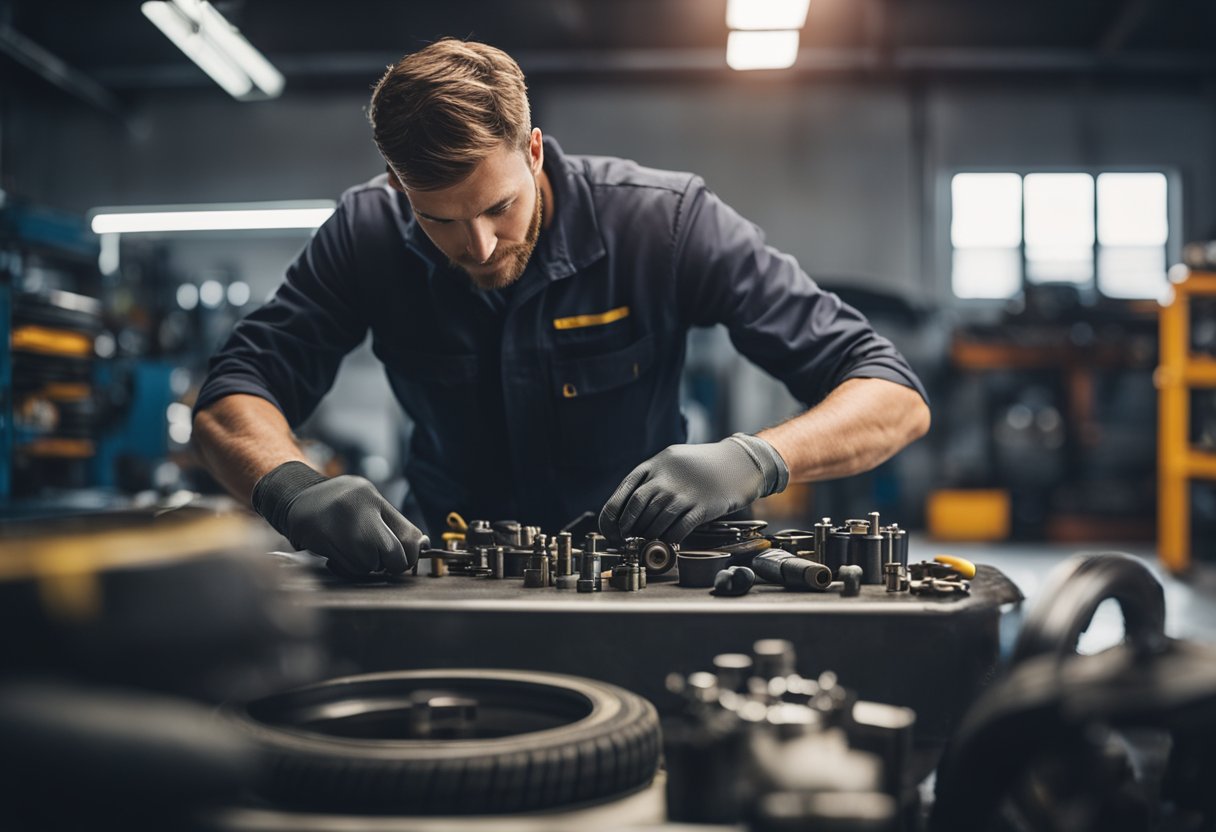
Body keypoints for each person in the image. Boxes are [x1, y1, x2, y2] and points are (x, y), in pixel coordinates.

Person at [191, 38, 930, 578]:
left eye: (497, 207)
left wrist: (756, 460)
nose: (476, 245)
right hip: (444, 573)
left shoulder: (664, 224)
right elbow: (233, 396)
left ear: (535, 151)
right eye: (438, 220)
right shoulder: (366, 234)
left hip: (648, 575)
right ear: (395, 183)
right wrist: (290, 490)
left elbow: (892, 395)